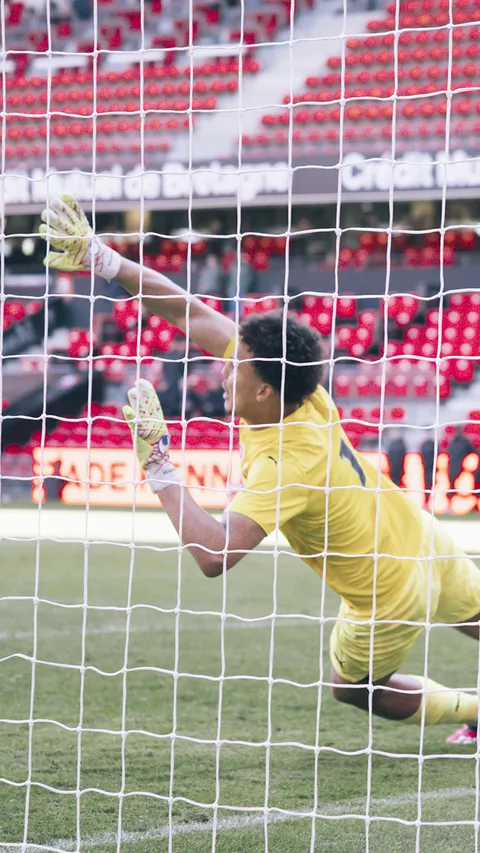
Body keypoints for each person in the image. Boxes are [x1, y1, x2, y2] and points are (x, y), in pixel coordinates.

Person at [39, 195, 480, 746]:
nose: (223, 370)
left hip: (387, 589)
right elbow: (188, 312)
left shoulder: (283, 462)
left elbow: (214, 555)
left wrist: (157, 464)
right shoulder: (302, 388)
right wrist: (104, 259)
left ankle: (474, 709)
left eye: (236, 367)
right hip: (421, 536)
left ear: (265, 390)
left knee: (353, 688)